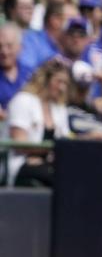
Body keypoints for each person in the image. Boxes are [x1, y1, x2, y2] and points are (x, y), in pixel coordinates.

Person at [5, 57, 72, 187]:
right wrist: (46, 152)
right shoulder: (23, 100)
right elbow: (19, 144)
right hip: (22, 164)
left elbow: (65, 140)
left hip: (49, 163)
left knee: (75, 173)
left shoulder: (59, 108)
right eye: (59, 81)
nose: (62, 88)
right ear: (45, 80)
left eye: (66, 84)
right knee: (58, 177)